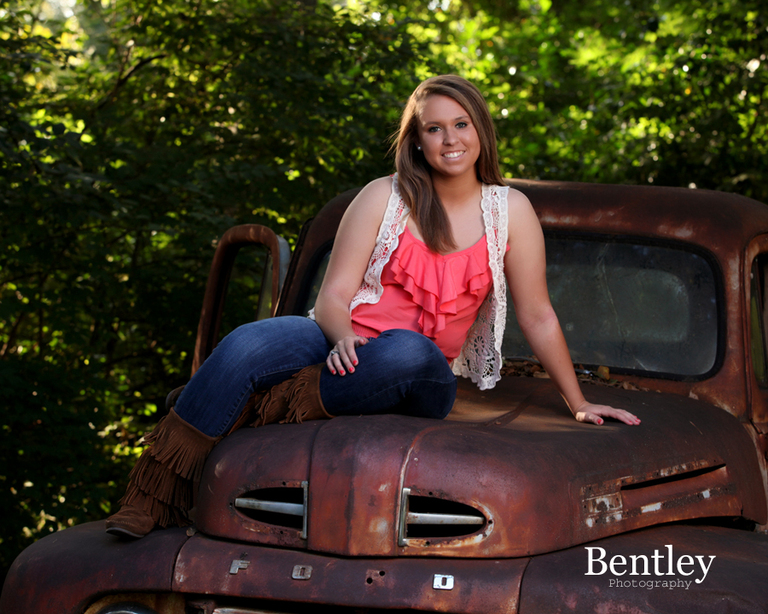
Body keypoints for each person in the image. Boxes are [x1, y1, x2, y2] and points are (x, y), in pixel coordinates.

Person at [105, 75, 640, 539]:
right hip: (340, 342)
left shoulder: (511, 211)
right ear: (417, 141)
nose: (450, 139)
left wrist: (577, 402)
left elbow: (538, 314)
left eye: (461, 124)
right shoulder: (383, 197)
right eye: (434, 128)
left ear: (481, 130)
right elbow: (333, 297)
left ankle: (244, 405)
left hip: (418, 372)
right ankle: (150, 498)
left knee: (407, 349)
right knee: (247, 341)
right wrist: (341, 337)